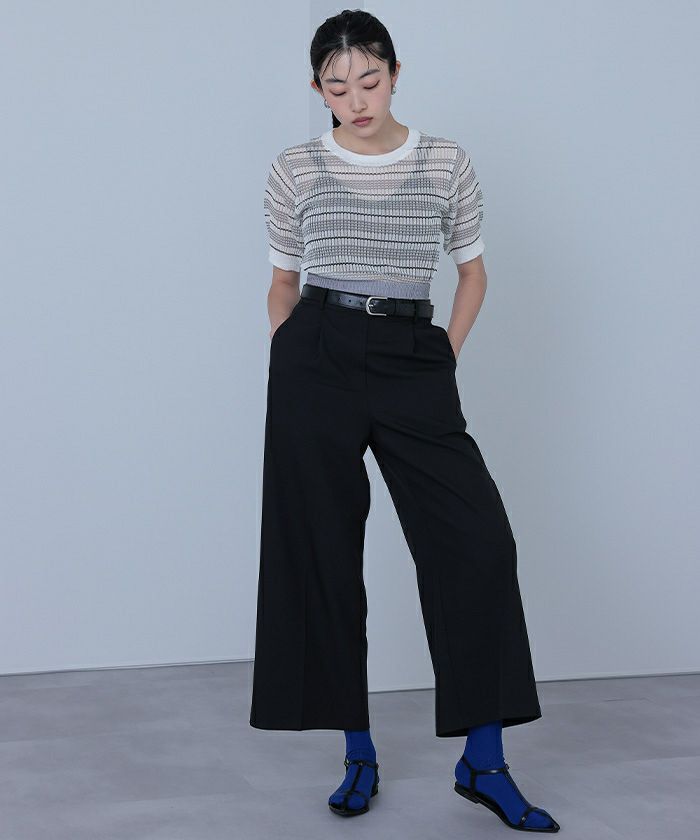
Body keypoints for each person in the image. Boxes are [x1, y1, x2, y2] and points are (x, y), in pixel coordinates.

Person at [249, 8, 560, 833]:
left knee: (478, 543)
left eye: (370, 80)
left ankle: (483, 761)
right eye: (337, 86)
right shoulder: (296, 168)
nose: (356, 100)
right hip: (316, 352)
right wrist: (295, 358)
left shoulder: (445, 161)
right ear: (317, 89)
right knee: (321, 549)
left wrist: (440, 358)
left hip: (412, 353)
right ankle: (357, 751)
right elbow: (282, 282)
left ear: (395, 74)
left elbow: (474, 274)